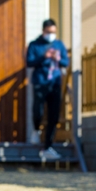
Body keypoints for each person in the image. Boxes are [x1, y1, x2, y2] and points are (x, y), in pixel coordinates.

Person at [26, 19, 69, 160]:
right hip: (40, 81)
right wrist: (44, 56)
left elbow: (65, 62)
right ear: (43, 31)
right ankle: (36, 130)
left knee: (54, 115)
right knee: (38, 110)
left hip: (54, 83)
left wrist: (58, 58)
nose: (51, 35)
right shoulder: (35, 44)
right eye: (49, 32)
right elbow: (29, 62)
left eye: (53, 32)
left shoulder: (58, 44)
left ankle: (47, 147)